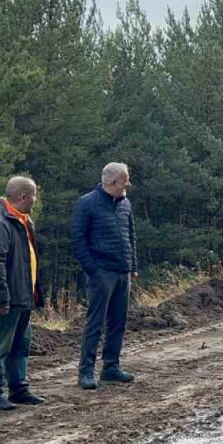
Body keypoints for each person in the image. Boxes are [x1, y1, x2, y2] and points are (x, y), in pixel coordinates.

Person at [0, 176, 47, 411]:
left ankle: (19, 390)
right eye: (34, 196)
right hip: (5, 300)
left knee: (21, 345)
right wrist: (1, 298)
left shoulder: (23, 220)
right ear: (24, 197)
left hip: (23, 297)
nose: (35, 200)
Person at [71, 162, 139, 390]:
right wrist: (93, 270)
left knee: (118, 322)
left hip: (123, 272)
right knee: (95, 323)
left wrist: (133, 264)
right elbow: (78, 240)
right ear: (112, 182)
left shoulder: (126, 204)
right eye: (125, 179)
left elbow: (130, 235)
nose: (128, 183)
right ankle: (86, 371)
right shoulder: (86, 204)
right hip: (101, 273)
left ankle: (111, 368)